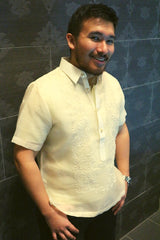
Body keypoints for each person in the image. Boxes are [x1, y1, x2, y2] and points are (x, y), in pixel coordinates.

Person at [12, 3, 130, 240]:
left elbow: (121, 131)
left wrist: (124, 178)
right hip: (63, 212)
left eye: (110, 40)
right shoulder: (43, 90)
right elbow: (23, 155)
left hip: (109, 202)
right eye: (95, 38)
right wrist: (48, 212)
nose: (103, 49)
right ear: (72, 40)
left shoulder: (114, 85)